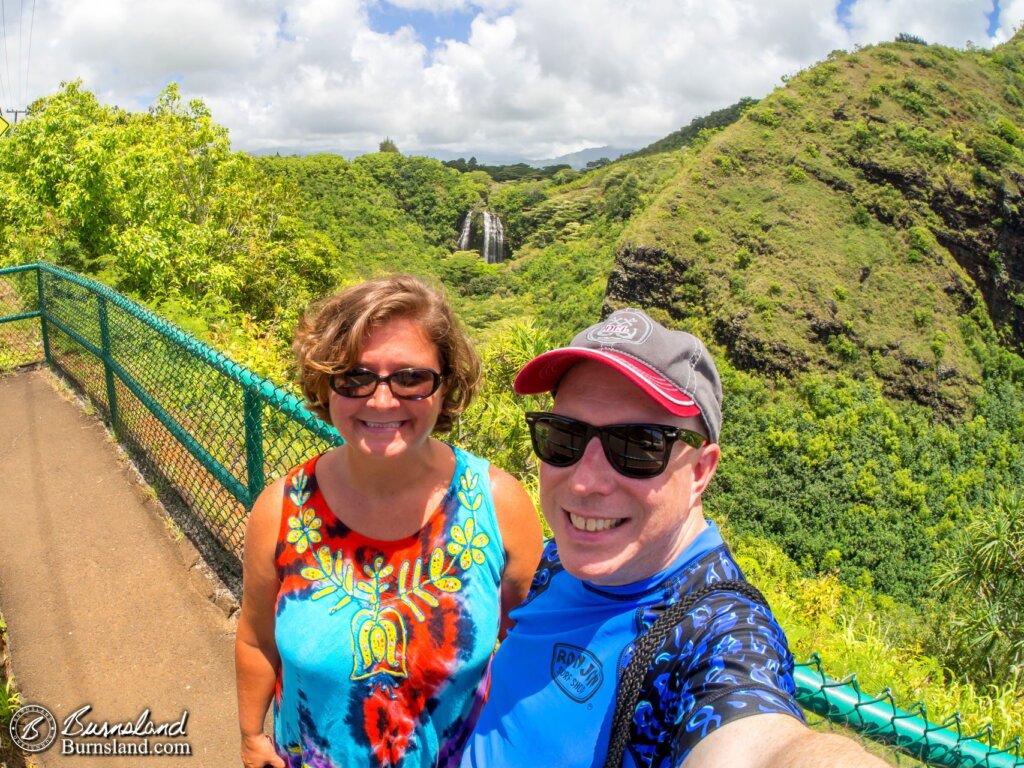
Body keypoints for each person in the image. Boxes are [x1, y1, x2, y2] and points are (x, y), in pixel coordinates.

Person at [460, 308, 887, 768]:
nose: (585, 482)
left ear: (701, 470)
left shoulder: (712, 630)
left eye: (638, 447)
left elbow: (765, 742)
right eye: (564, 436)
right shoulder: (559, 561)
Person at [235, 275, 544, 768]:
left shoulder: (498, 506)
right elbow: (255, 638)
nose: (381, 401)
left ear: (446, 386)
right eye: (355, 378)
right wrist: (252, 737)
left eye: (410, 378)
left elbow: (530, 649)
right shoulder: (282, 510)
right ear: (325, 384)